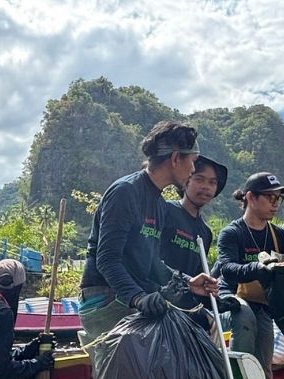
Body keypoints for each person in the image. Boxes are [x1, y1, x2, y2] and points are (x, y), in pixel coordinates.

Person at [78, 120, 218, 343]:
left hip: (129, 298)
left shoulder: (159, 204)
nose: (192, 170)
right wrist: (138, 297)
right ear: (175, 159)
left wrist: (188, 282)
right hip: (104, 298)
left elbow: (154, 263)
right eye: (191, 162)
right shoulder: (125, 192)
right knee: (133, 370)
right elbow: (107, 259)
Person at [212, 172, 284, 379]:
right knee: (244, 314)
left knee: (264, 365)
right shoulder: (232, 233)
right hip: (229, 299)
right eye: (271, 197)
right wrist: (258, 268)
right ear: (250, 197)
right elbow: (227, 269)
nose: (276, 204)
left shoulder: (280, 236)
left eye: (279, 198)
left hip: (262, 303)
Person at [159, 155, 231, 330]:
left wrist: (210, 290)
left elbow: (197, 274)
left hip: (186, 307)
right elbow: (148, 257)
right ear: (186, 181)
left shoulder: (205, 232)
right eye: (199, 179)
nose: (206, 187)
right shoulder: (165, 210)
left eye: (212, 183)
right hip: (158, 302)